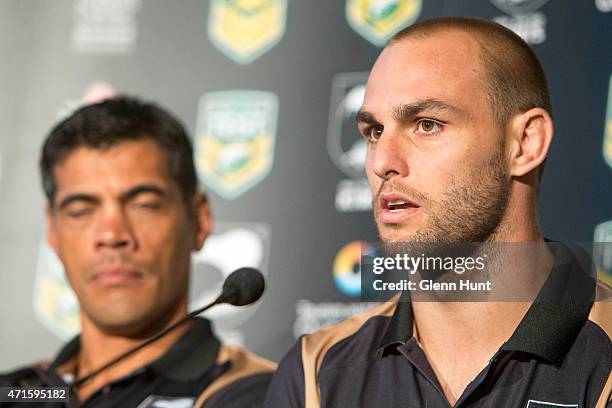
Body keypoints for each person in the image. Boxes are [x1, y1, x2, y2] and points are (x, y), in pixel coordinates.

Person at [264, 17, 611, 408]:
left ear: (524, 143)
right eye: (375, 131)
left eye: (426, 125)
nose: (382, 161)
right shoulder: (317, 373)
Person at [0, 96, 275, 407]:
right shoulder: (18, 393)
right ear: (53, 231)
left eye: (143, 205)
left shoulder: (265, 397)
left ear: (199, 219)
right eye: (79, 210)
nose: (112, 235)